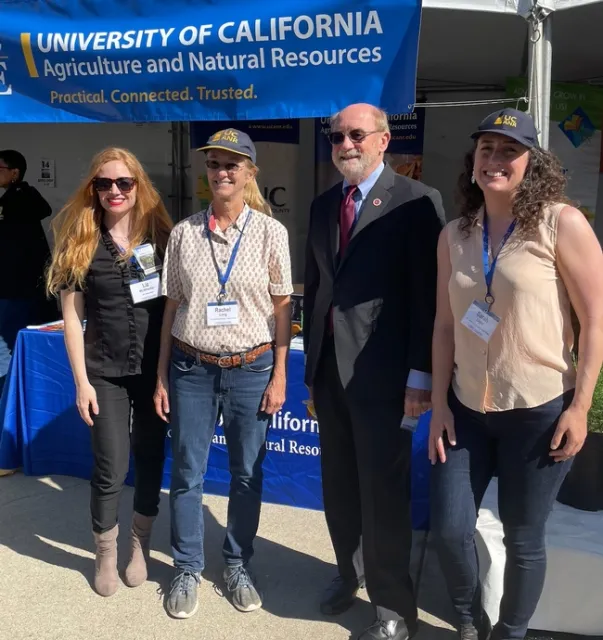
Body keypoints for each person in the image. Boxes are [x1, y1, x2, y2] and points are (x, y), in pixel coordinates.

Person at [429, 108, 603, 640]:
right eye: (487, 150)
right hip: (465, 409)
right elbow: (443, 326)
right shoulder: (456, 234)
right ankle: (466, 617)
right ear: (473, 161)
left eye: (509, 151)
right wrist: (438, 406)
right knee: (450, 528)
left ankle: (512, 631)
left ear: (533, 161)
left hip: (539, 409)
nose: (496, 160)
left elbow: (596, 319)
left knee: (524, 538)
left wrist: (579, 408)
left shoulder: (560, 222)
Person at [303, 103, 445, 640]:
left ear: (384, 140)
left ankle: (393, 607)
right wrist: (312, 368)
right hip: (329, 375)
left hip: (386, 378)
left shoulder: (416, 202)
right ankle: (349, 575)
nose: (345, 144)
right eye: (337, 135)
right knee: (338, 487)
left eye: (357, 134)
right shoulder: (322, 207)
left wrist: (421, 373)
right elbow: (317, 292)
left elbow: (425, 296)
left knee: (383, 494)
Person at [155, 128, 292, 619]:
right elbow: (171, 307)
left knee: (246, 475)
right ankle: (187, 566)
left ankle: (236, 563)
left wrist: (280, 375)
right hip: (191, 367)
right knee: (188, 474)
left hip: (251, 368)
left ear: (251, 173)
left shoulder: (271, 233)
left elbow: (283, 310)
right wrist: (161, 375)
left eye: (233, 164)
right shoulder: (184, 233)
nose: (222, 172)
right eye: (214, 163)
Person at [46, 147, 173, 597]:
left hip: (154, 370)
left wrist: (163, 374)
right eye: (104, 184)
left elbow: (174, 309)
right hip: (104, 370)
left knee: (152, 455)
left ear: (139, 186)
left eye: (123, 183)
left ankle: (140, 542)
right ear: (93, 189)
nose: (114, 191)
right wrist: (81, 382)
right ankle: (105, 550)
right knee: (110, 465)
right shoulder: (79, 242)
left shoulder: (162, 236)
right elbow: (73, 321)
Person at [0, 150, 58, 395]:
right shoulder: (14, 200)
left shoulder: (22, 198)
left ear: (14, 173)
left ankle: (8, 399)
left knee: (8, 345)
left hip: (18, 289)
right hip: (17, 288)